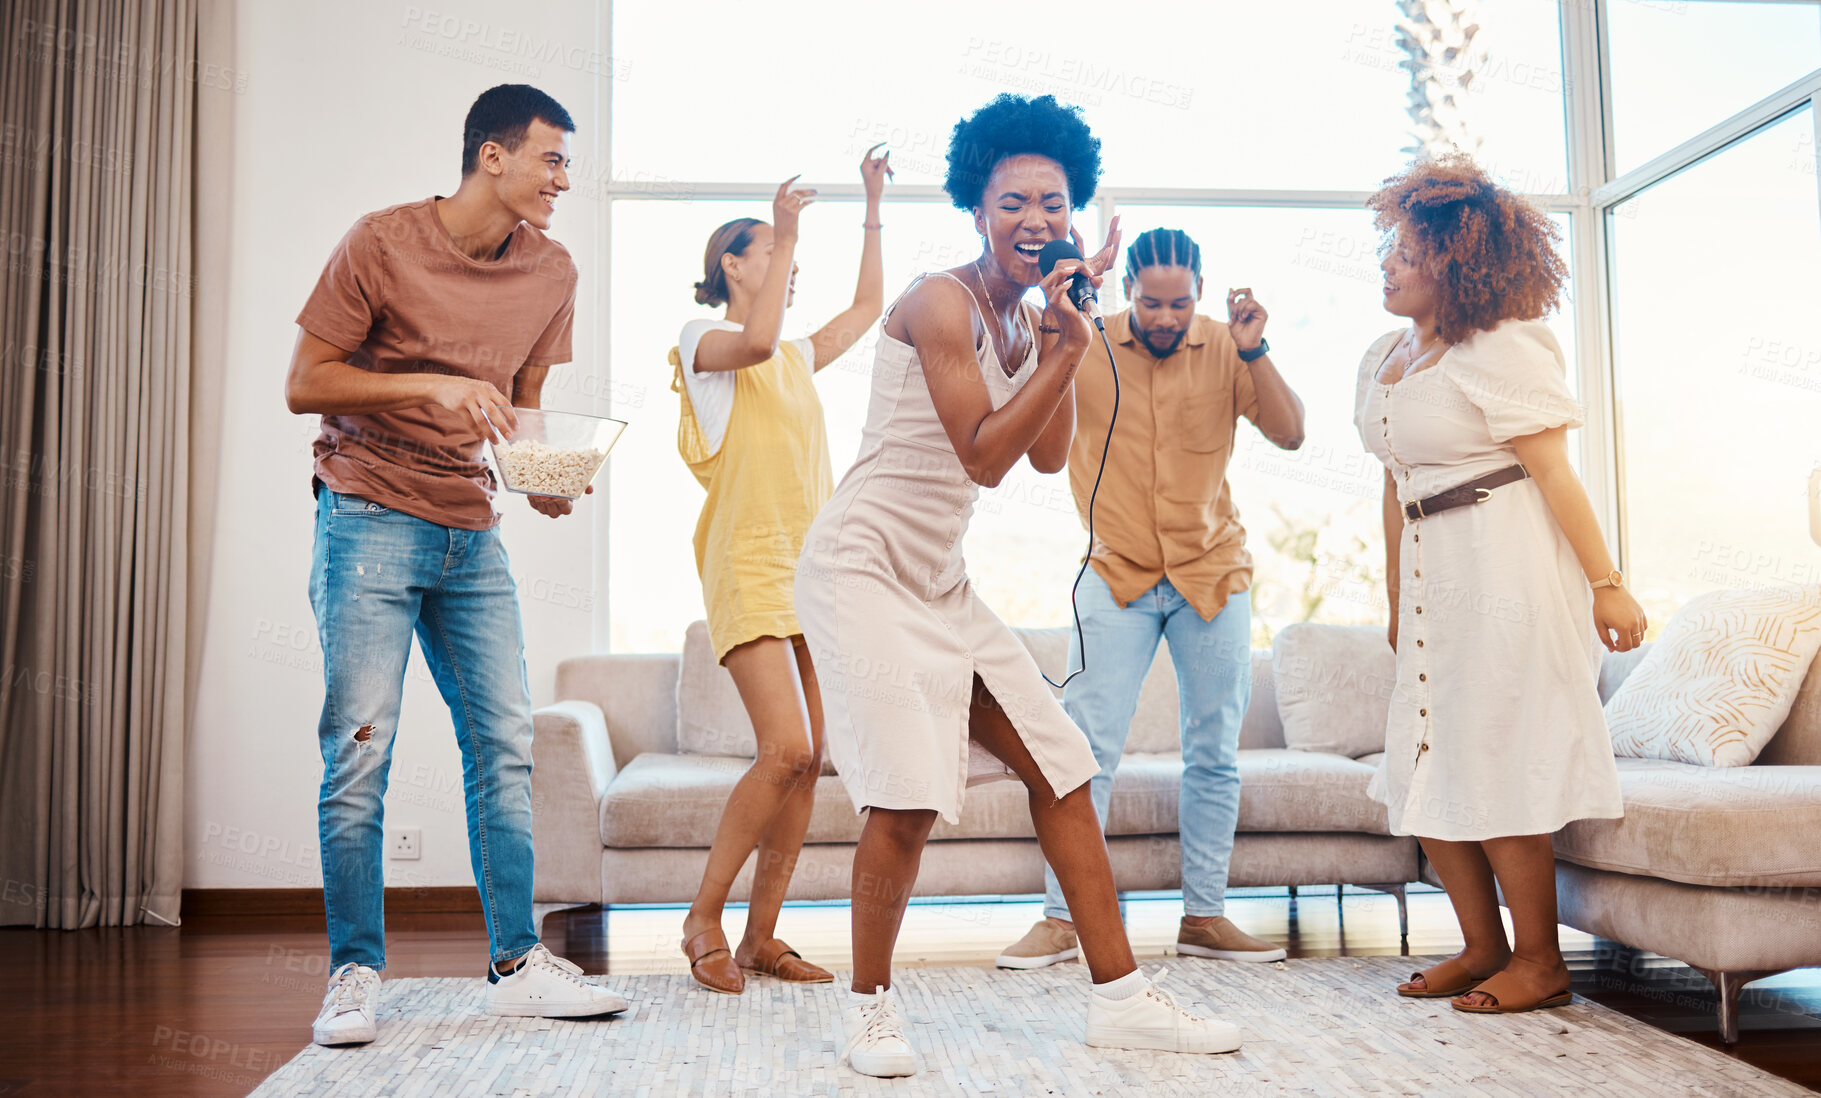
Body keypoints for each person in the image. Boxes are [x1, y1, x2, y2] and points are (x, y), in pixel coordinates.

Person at [795, 94, 1242, 1079]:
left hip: (939, 578)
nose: (1034, 220)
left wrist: (1058, 339)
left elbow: (1044, 457)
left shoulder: (1032, 315)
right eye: (1012, 203)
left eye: (1052, 202)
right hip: (862, 568)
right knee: (908, 800)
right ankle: (869, 1009)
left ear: (1075, 212)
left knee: (1062, 766)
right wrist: (1072, 347)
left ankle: (1121, 999)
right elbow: (985, 454)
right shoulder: (939, 300)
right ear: (977, 209)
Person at [283, 84, 625, 1047]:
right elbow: (304, 382)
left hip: (469, 528)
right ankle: (353, 974)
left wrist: (542, 479)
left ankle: (517, 962)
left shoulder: (551, 269)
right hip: (365, 513)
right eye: (552, 159)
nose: (564, 178)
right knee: (359, 748)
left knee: (504, 745)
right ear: (493, 158)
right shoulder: (381, 241)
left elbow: (517, 405)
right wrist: (432, 383)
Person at [1355, 155, 1647, 1014]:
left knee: (1495, 753)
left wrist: (1607, 583)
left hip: (1504, 565)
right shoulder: (1385, 356)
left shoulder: (1505, 345)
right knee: (1421, 761)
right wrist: (1388, 600)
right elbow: (1392, 484)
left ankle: (1541, 961)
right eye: (1389, 248)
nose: (1387, 263)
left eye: (1405, 251)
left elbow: (1554, 474)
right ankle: (1482, 947)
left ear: (1454, 261)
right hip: (1427, 572)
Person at [996, 228, 1304, 971]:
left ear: (1199, 292)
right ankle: (1061, 920)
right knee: (1083, 752)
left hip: (1210, 574)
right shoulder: (1085, 341)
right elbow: (1029, 424)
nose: (1164, 318)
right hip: (1115, 573)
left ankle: (1204, 918)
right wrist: (1055, 319)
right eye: (1149, 302)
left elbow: (1291, 434)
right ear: (1126, 291)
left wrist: (1255, 348)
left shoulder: (1228, 346)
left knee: (1212, 752)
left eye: (1179, 303)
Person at [672, 146, 892, 994]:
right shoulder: (704, 342)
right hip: (745, 566)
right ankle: (701, 919)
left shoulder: (796, 354)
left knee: (812, 757)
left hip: (811, 572)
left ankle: (763, 937)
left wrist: (870, 205)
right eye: (768, 252)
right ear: (732, 263)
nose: (787, 268)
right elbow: (756, 339)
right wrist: (789, 228)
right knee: (785, 747)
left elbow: (868, 305)